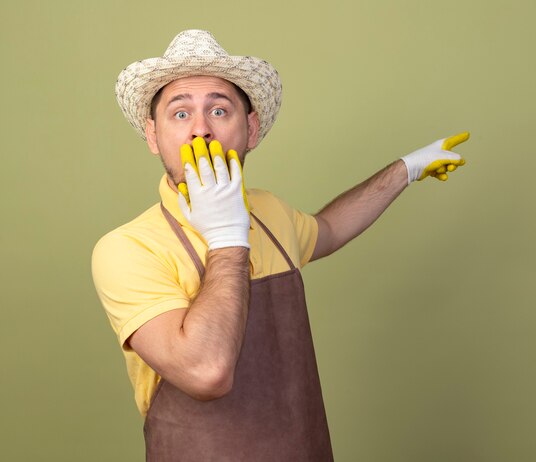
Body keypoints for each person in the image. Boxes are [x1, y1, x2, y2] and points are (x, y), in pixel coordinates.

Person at [92, 29, 469, 461]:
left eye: (219, 109)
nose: (200, 130)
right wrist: (228, 236)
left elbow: (327, 230)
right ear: (153, 135)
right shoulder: (128, 249)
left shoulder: (269, 214)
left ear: (250, 129)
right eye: (180, 114)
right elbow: (207, 373)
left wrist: (406, 169)